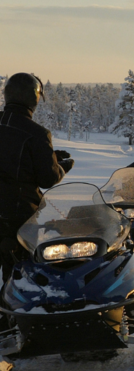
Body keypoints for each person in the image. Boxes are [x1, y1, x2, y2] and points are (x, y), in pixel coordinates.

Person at [0, 73, 74, 284]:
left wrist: (51, 157)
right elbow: (48, 178)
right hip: (19, 215)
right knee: (18, 275)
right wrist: (62, 167)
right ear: (34, 98)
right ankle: (11, 314)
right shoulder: (37, 133)